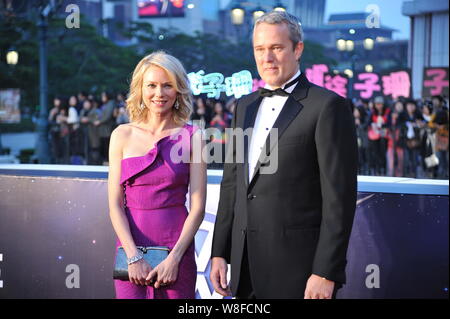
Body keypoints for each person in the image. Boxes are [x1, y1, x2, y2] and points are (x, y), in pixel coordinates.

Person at [210, 11, 358, 299]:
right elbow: (232, 186)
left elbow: (339, 200)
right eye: (260, 49)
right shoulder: (244, 107)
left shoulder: (327, 107)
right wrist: (220, 252)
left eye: (276, 48)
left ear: (297, 49)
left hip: (299, 272)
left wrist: (326, 271)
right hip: (244, 267)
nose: (267, 58)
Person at [108, 51, 206, 299]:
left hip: (177, 248)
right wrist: (133, 257)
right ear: (140, 89)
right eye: (151, 85)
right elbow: (114, 205)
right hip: (130, 251)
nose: (159, 94)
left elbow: (198, 208)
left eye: (167, 86)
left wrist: (174, 258)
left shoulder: (193, 137)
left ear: (178, 91)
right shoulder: (122, 135)